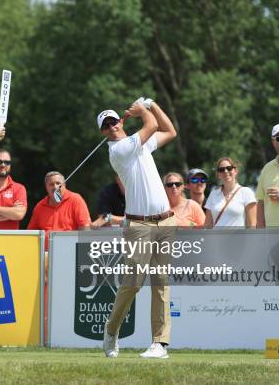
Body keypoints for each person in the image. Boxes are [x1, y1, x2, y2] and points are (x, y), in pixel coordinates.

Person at [98, 97, 177, 360]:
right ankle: (111, 332)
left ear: (121, 121)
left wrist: (152, 104)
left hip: (165, 220)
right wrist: (143, 111)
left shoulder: (139, 145)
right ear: (103, 132)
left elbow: (169, 130)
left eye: (113, 122)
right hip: (139, 225)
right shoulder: (119, 150)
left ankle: (160, 344)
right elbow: (152, 124)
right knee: (133, 283)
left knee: (161, 282)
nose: (111, 127)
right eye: (106, 126)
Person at [27, 171, 91, 248]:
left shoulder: (76, 200)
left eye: (58, 183)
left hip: (70, 250)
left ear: (64, 185)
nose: (55, 187)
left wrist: (81, 251)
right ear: (46, 187)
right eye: (51, 184)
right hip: (45, 254)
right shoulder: (40, 206)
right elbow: (31, 233)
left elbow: (85, 228)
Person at [204, 157, 256, 228]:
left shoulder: (246, 192)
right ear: (218, 174)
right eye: (221, 170)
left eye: (229, 168)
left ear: (235, 171)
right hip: (216, 238)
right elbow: (207, 225)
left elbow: (252, 225)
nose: (225, 171)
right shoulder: (213, 194)